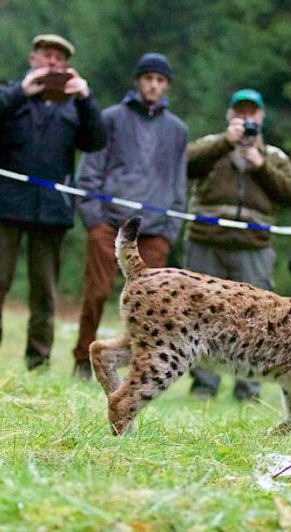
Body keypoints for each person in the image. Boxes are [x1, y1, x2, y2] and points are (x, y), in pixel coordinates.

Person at [0, 34, 105, 370]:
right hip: (4, 207)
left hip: (51, 211)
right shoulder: (9, 92)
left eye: (59, 58)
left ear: (66, 66)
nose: (52, 63)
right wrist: (20, 93)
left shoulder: (75, 105)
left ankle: (38, 361)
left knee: (44, 291)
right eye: (46, 55)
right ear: (32, 58)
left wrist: (86, 99)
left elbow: (96, 141)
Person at [72, 53, 188, 379]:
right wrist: (94, 220)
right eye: (148, 78)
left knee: (152, 306)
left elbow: (178, 184)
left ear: (166, 85)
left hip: (153, 230)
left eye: (160, 80)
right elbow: (90, 172)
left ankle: (142, 369)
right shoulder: (111, 118)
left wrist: (169, 231)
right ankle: (83, 359)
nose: (153, 85)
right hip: (109, 222)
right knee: (96, 292)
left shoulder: (177, 130)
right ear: (137, 81)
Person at [185, 88, 291, 400]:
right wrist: (226, 142)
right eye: (240, 111)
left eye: (252, 112)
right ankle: (204, 385)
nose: (246, 118)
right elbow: (185, 165)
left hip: (254, 248)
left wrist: (260, 165)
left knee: (257, 321)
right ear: (230, 115)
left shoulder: (274, 156)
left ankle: (248, 390)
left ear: (261, 117)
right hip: (206, 243)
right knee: (202, 315)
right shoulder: (212, 144)